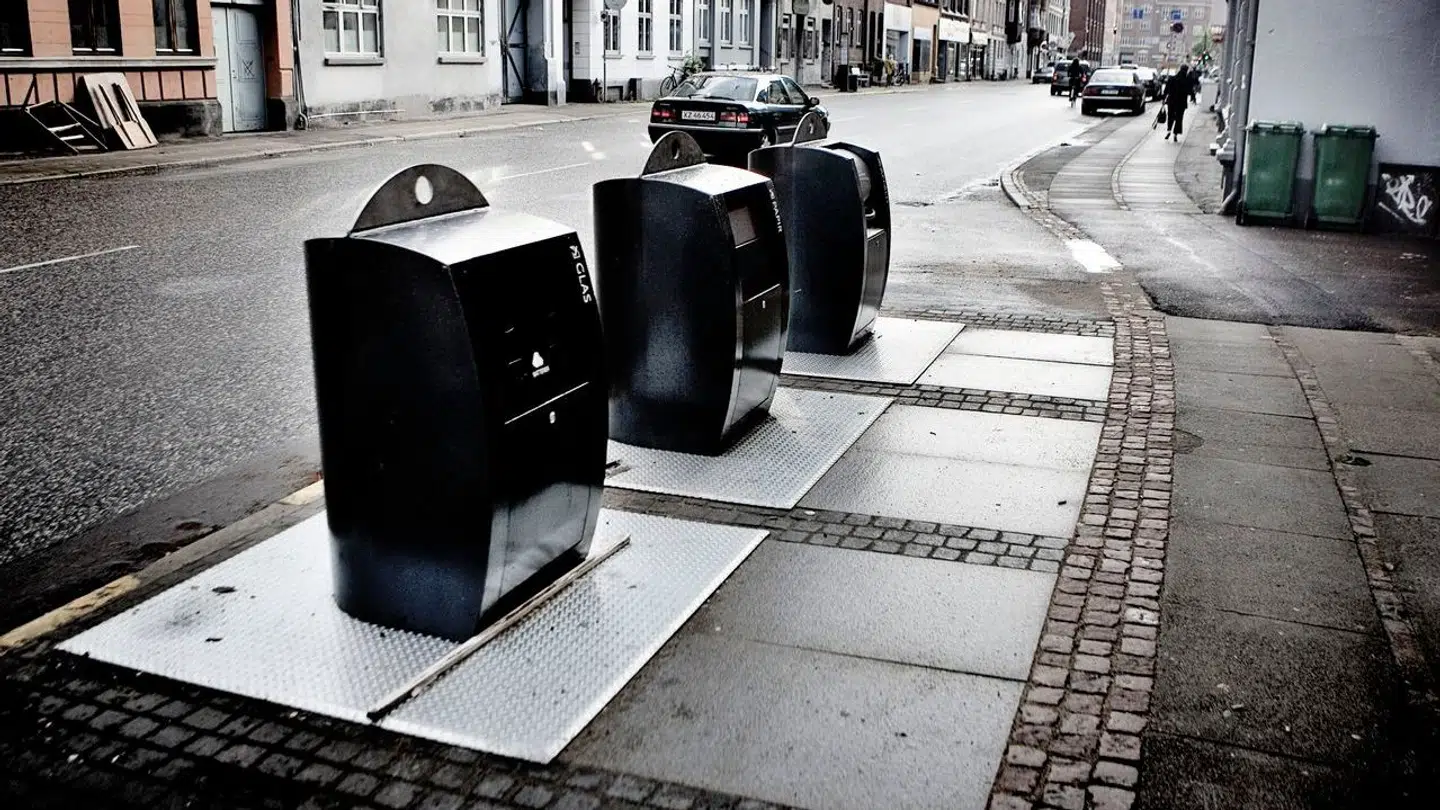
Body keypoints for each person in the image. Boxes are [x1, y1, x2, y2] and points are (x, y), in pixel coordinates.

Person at [1160, 64, 1192, 141]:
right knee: (1179, 118)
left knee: (1170, 116)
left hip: (1171, 101)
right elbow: (1189, 92)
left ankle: (1169, 130)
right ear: (1186, 71)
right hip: (1181, 103)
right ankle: (1175, 134)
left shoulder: (1172, 79)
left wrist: (1163, 99)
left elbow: (1166, 90)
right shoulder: (1186, 80)